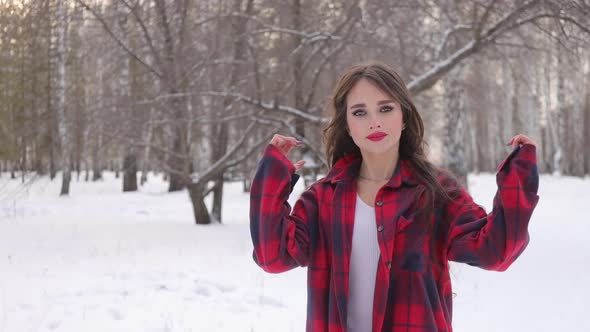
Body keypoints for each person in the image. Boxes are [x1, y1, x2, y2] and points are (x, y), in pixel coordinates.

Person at [249, 61, 539, 332]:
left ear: (403, 117)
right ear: (348, 126)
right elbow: (272, 257)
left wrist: (518, 177)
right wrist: (272, 176)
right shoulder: (323, 199)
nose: (374, 122)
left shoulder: (436, 192)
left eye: (385, 109)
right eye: (360, 112)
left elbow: (496, 252)